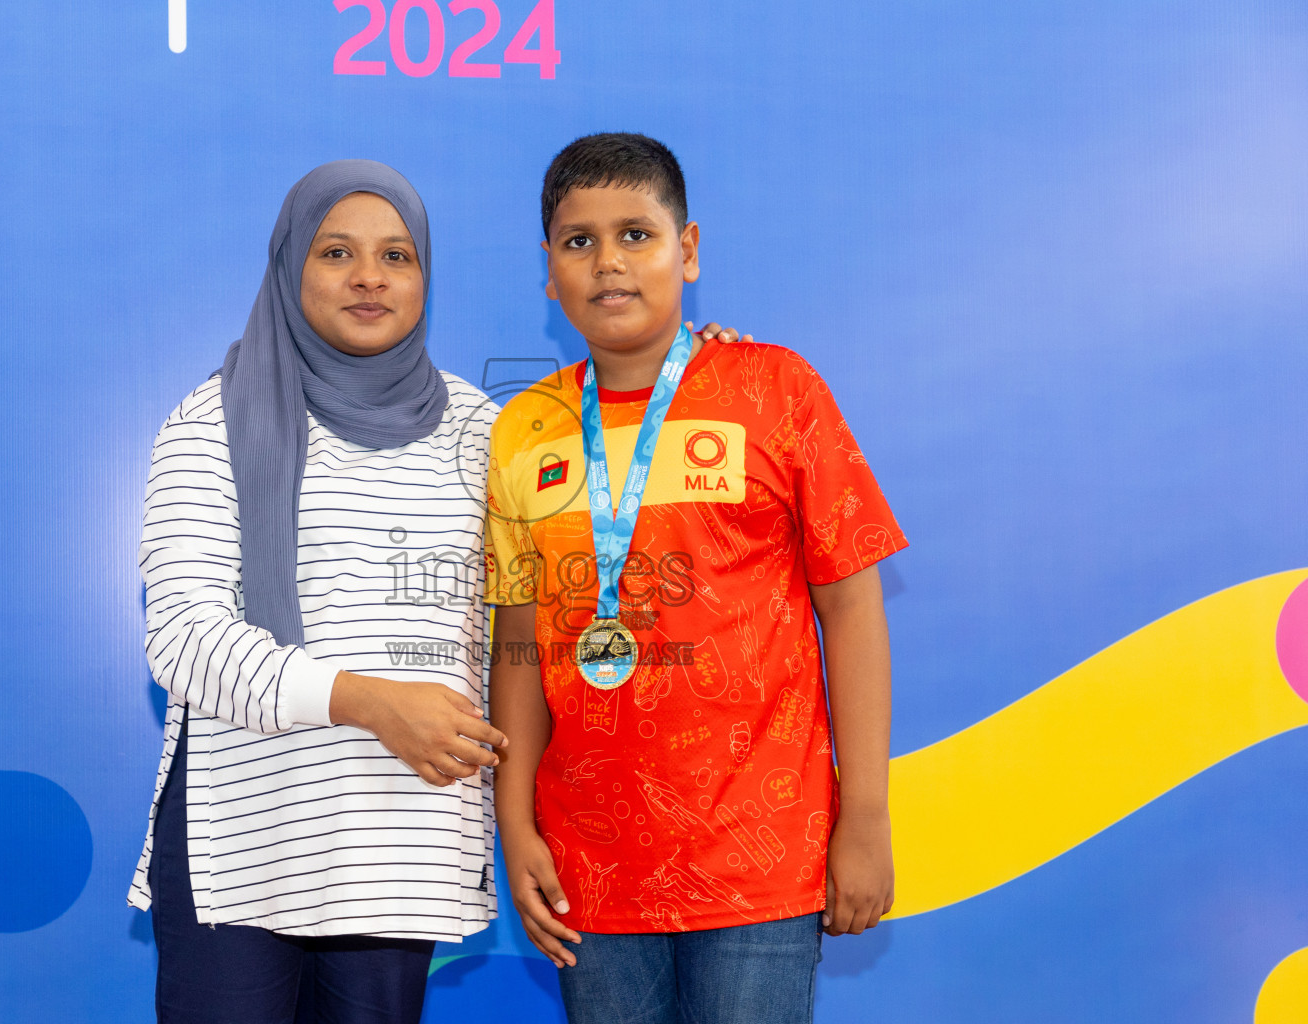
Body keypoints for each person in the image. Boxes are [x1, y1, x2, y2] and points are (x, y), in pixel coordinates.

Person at [486, 133, 907, 1024]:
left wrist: (864, 815)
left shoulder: (777, 390)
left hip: (760, 856)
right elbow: (517, 645)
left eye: (637, 234)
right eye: (579, 241)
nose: (609, 263)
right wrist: (515, 825)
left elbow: (854, 610)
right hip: (588, 870)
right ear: (549, 270)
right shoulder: (523, 429)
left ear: (690, 249)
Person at [125, 160, 509, 1024]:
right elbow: (183, 635)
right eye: (338, 251)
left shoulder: (485, 429)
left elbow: (549, 589)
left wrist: (688, 358)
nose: (370, 277)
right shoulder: (214, 417)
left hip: (398, 843)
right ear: (291, 264)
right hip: (245, 838)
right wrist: (366, 701)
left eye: (397, 256)